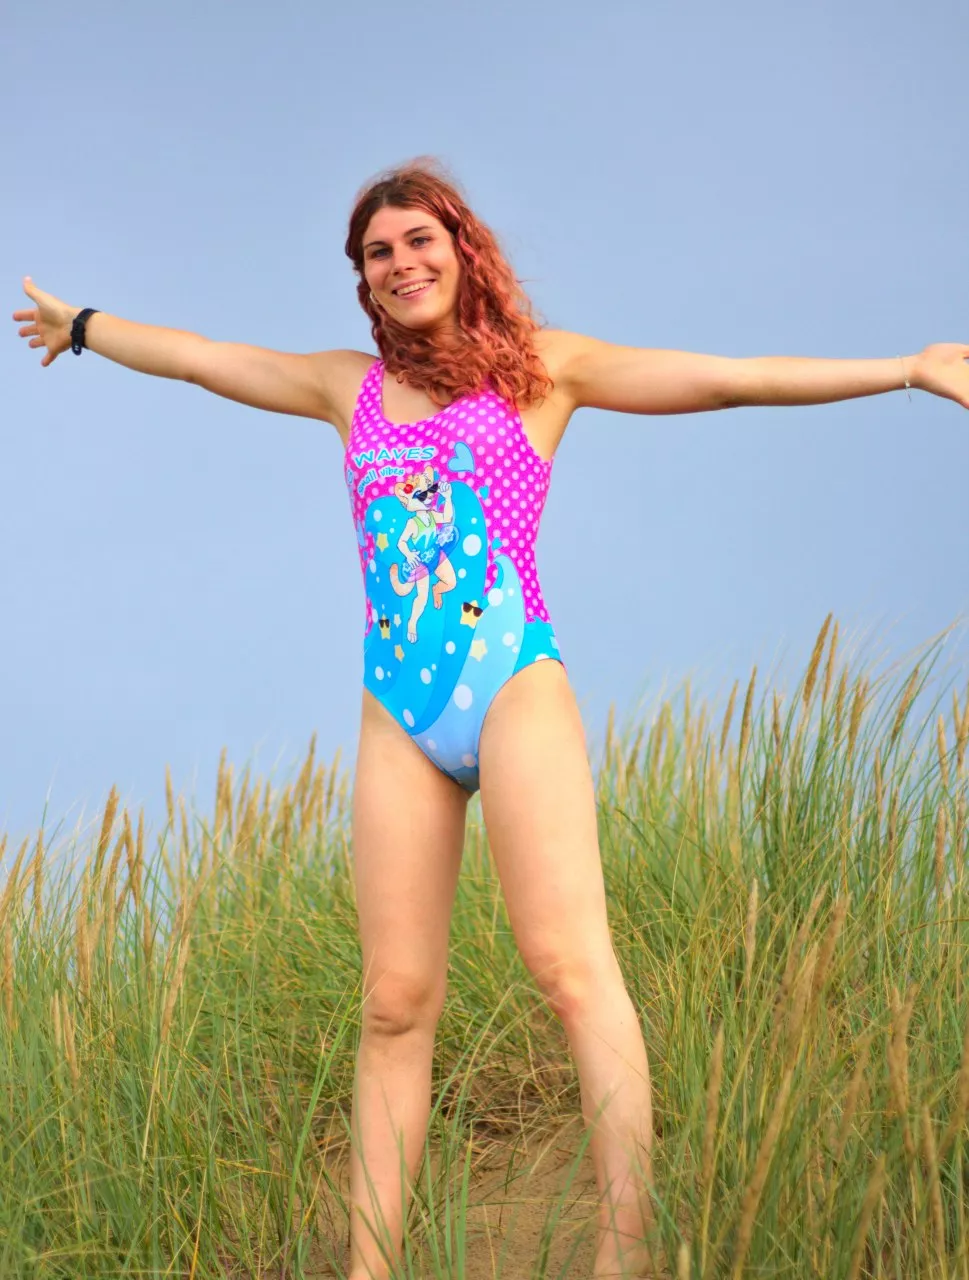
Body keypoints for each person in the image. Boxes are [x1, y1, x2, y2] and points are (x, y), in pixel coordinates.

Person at [13, 156, 969, 1280]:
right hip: (394, 710)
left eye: (420, 239)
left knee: (568, 961)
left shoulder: (543, 373)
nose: (402, 262)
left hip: (513, 677)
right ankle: (371, 1265)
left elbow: (726, 377)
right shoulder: (345, 388)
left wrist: (905, 367)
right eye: (378, 252)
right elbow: (205, 359)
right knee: (395, 1000)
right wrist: (81, 324)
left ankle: (626, 1242)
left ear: (463, 248)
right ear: (363, 282)